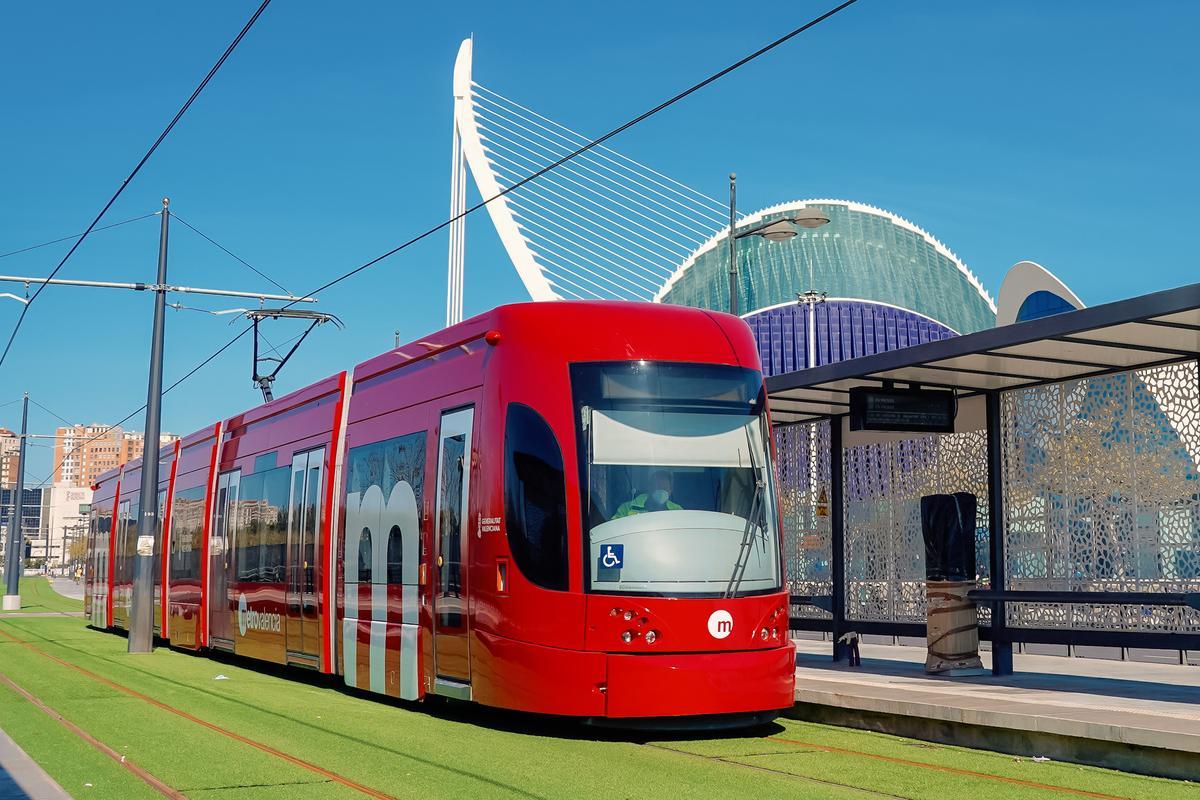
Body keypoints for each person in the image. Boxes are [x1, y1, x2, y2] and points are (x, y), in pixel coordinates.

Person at [613, 470, 682, 518]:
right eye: (657, 486)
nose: (661, 490)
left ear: (670, 490)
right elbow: (613, 529)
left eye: (664, 488)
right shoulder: (627, 508)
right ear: (650, 487)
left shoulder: (678, 510)